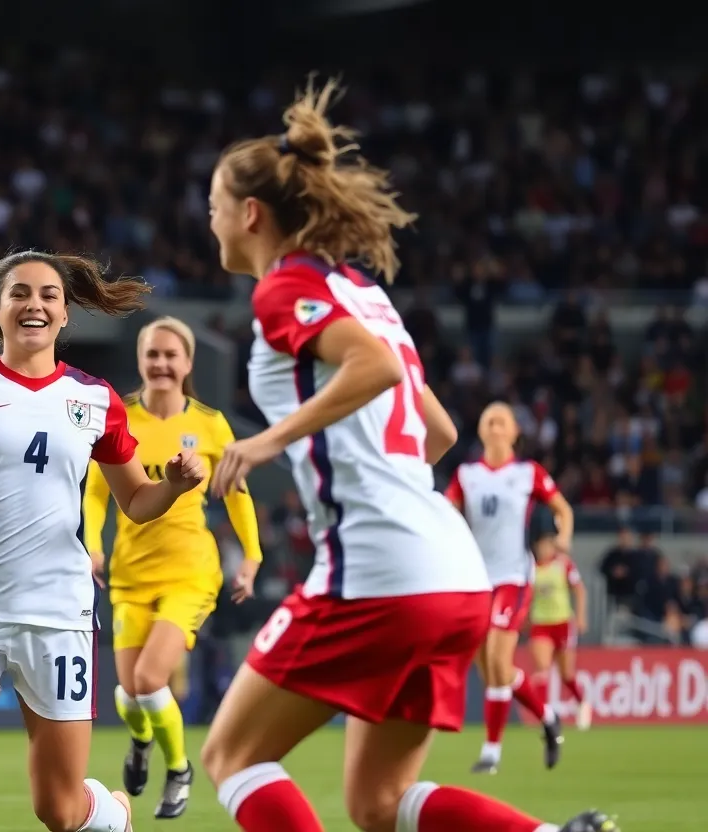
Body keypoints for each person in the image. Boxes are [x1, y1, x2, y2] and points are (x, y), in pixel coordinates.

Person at [198, 79, 615, 832]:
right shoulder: (362, 290)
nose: (212, 220)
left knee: (231, 757)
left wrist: (270, 440)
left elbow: (375, 371)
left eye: (215, 206)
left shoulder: (283, 288)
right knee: (378, 805)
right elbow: (439, 433)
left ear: (250, 214)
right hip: (451, 573)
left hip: (377, 574)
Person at [0, 250, 205, 832]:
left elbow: (136, 502)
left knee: (58, 810)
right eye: (20, 293)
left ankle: (112, 814)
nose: (35, 304)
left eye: (49, 295)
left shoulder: (95, 398)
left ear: (63, 315)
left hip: (58, 614)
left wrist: (175, 487)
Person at [82, 315, 263, 820]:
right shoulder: (119, 418)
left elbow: (238, 495)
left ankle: (179, 768)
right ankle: (142, 741)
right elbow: (97, 492)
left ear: (187, 363)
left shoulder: (208, 424)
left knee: (148, 677)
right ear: (140, 360)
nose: (161, 363)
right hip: (131, 574)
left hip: (190, 571)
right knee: (128, 692)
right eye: (152, 354)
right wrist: (92, 545)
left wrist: (251, 556)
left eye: (171, 355)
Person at [445, 402, 574, 773]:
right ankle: (548, 718)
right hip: (475, 579)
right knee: (491, 670)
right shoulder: (467, 475)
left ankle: (491, 754)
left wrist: (563, 537)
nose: (495, 426)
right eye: (489, 420)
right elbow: (448, 512)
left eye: (502, 421)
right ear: (482, 431)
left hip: (513, 577)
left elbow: (563, 509)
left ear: (515, 431)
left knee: (499, 661)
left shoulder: (527, 473)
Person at [528, 504, 592, 731]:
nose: (544, 547)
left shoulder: (563, 564)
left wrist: (581, 616)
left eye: (547, 542)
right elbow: (526, 597)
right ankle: (545, 714)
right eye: (541, 543)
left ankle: (582, 702)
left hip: (563, 622)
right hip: (540, 624)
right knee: (542, 668)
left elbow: (579, 590)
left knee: (566, 674)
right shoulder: (531, 568)